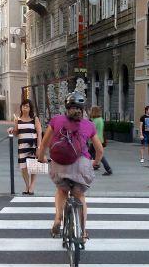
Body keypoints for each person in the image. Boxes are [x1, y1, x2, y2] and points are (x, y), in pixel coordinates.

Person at [36, 91, 103, 242]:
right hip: (82, 166)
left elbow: (44, 144)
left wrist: (41, 158)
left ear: (66, 107)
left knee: (61, 190)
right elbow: (99, 150)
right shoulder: (89, 125)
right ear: (83, 108)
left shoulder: (56, 121)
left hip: (59, 166)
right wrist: (96, 162)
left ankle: (58, 218)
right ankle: (83, 231)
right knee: (80, 196)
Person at [9, 99, 42, 195]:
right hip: (22, 146)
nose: (25, 108)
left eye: (27, 106)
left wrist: (39, 147)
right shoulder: (18, 120)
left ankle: (32, 186)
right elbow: (16, 133)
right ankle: (27, 185)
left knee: (33, 167)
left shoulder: (34, 118)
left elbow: (39, 132)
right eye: (23, 106)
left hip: (33, 145)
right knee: (23, 167)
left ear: (30, 108)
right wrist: (11, 129)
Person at [90, 106, 112, 175]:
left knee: (98, 155)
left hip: (96, 140)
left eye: (91, 110)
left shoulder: (95, 120)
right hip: (100, 139)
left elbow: (91, 130)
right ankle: (96, 164)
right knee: (94, 153)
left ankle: (108, 169)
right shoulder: (100, 119)